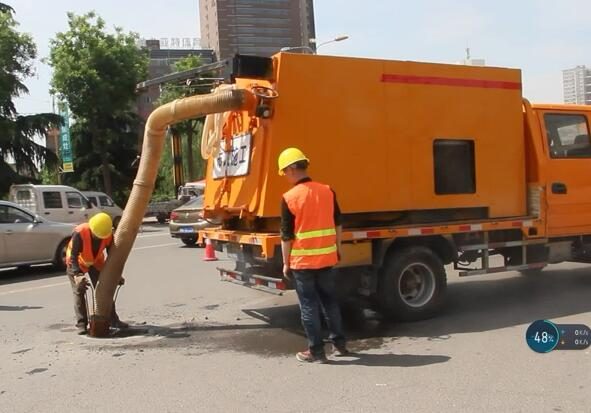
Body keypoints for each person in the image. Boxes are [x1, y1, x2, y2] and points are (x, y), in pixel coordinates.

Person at [278, 147, 349, 363]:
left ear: (292, 169)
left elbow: (286, 235)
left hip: (303, 262)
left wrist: (285, 263)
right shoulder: (328, 191)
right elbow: (338, 224)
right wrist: (338, 248)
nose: (286, 177)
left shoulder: (289, 197)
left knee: (309, 306)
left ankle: (316, 351)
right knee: (330, 302)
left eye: (285, 172)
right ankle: (340, 345)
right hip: (327, 258)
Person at [66, 212, 127, 335]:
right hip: (77, 263)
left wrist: (116, 275)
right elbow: (73, 256)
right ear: (91, 227)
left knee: (104, 289)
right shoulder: (80, 232)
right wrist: (77, 275)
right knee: (79, 292)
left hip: (96, 262)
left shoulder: (107, 234)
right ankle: (81, 324)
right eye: (96, 235)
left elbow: (112, 257)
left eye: (101, 237)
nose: (98, 238)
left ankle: (113, 320)